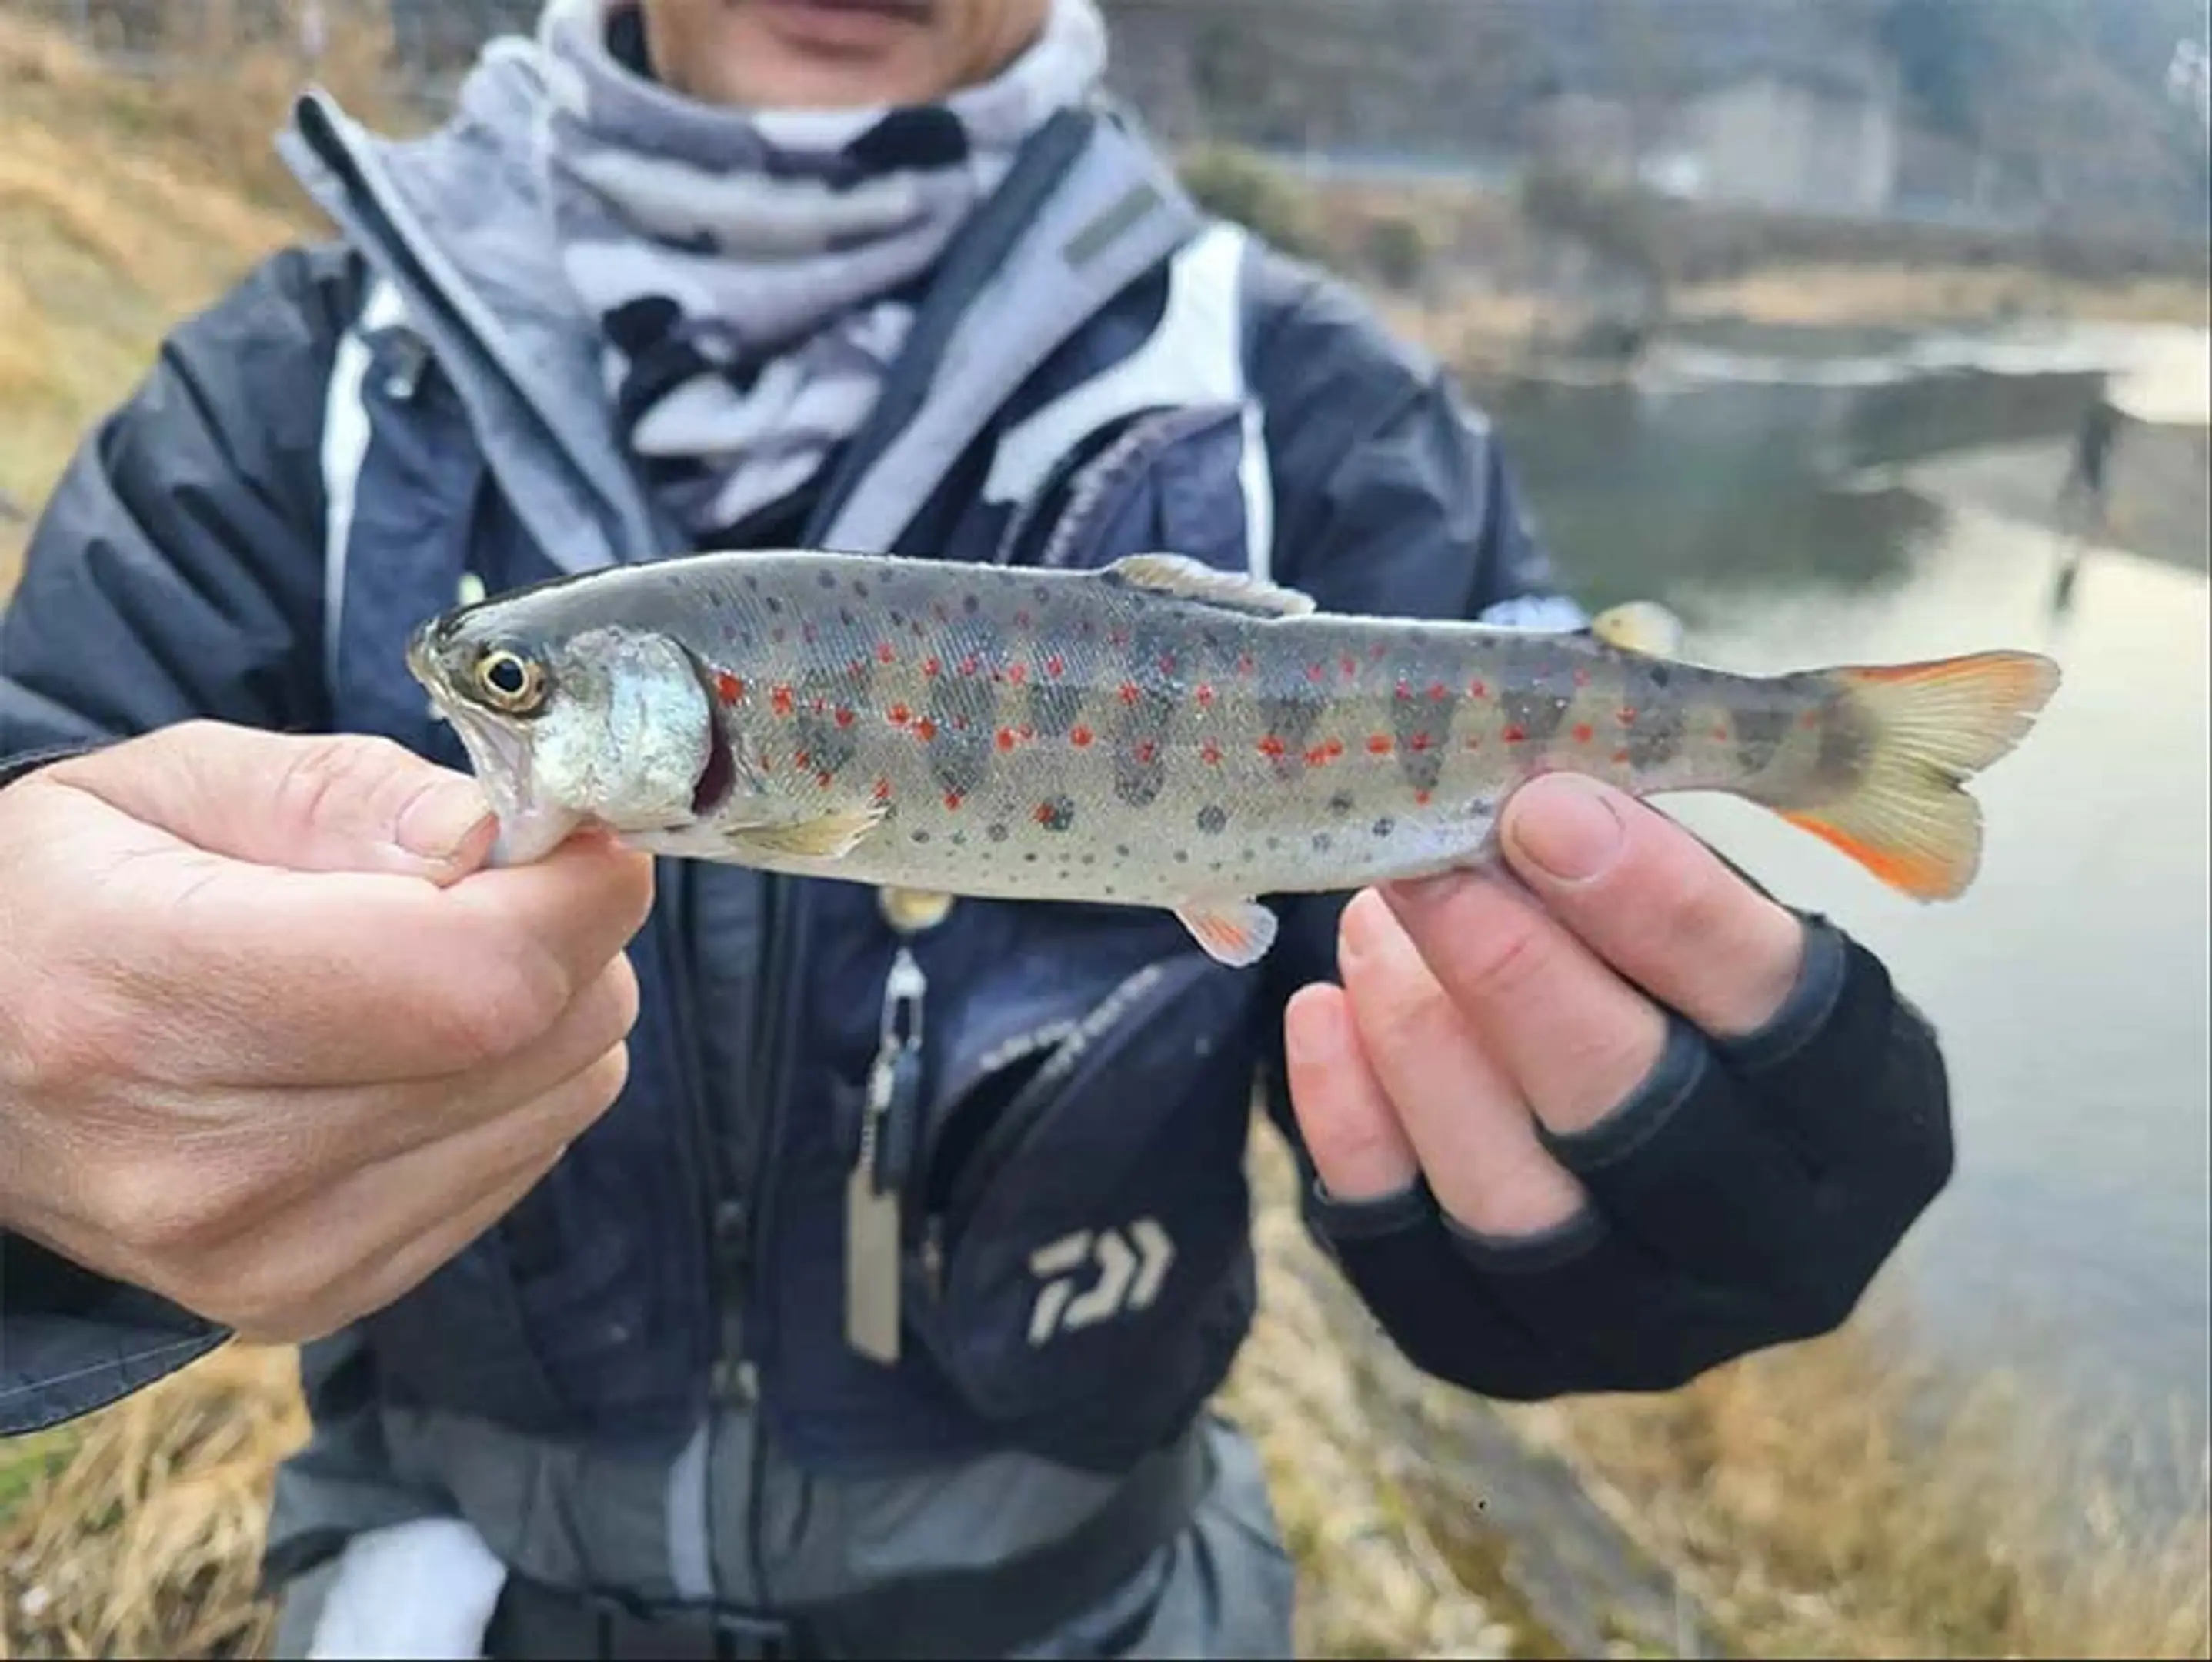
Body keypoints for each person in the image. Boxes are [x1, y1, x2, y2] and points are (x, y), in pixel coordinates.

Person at [0, 2, 1958, 1656]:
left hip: (1095, 1597)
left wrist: (1652, 1213)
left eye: (519, 693)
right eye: (508, 692)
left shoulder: (1318, 419)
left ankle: (1819, 747)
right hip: (449, 1588)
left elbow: (1459, 1014)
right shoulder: (278, 407)